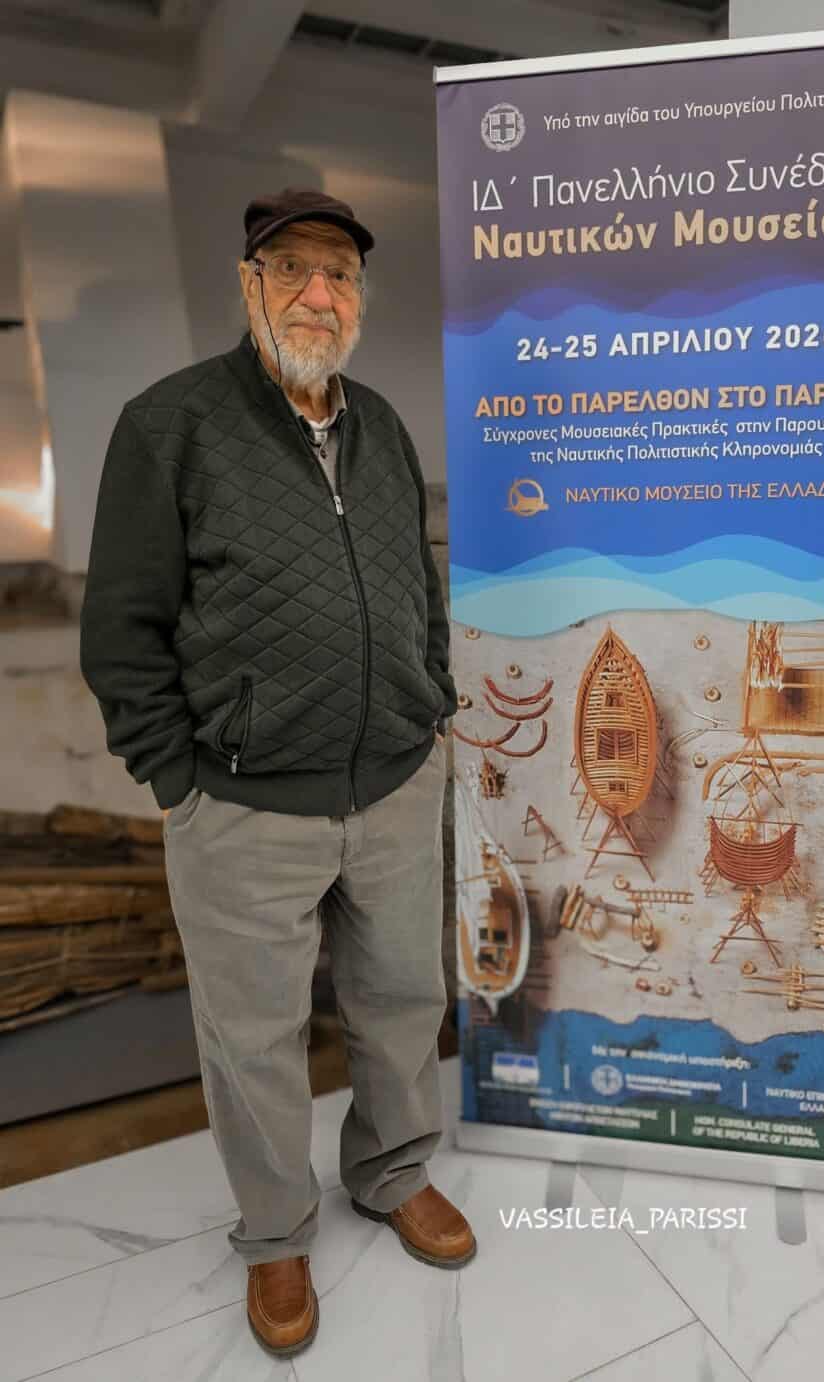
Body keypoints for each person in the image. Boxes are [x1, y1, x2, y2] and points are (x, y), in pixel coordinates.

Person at [79, 187, 474, 1359]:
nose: (318, 291)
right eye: (292, 266)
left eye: (339, 272)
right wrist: (178, 779)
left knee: (402, 1001)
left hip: (396, 783)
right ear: (248, 284)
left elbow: (417, 584)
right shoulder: (171, 426)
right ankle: (275, 1230)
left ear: (359, 296)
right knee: (252, 1039)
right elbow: (123, 630)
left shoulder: (383, 426)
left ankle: (393, 1170)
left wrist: (429, 703)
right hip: (242, 806)